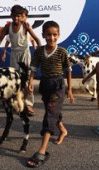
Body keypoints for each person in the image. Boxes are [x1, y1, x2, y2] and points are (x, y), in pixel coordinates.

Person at [26, 21, 73, 168]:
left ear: (58, 35)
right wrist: (30, 82)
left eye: (54, 35)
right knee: (51, 111)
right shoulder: (39, 51)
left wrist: (70, 90)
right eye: (48, 34)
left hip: (58, 85)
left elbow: (68, 70)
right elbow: (33, 67)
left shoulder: (62, 52)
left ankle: (42, 150)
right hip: (45, 84)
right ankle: (63, 130)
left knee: (50, 114)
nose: (51, 38)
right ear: (43, 35)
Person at [0, 4, 41, 116]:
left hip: (24, 54)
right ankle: (16, 102)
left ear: (22, 16)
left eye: (19, 16)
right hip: (14, 55)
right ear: (11, 15)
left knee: (26, 79)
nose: (16, 18)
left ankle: (29, 104)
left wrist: (40, 51)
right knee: (14, 79)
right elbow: (1, 37)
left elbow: (36, 39)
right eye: (14, 16)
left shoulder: (25, 26)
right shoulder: (8, 26)